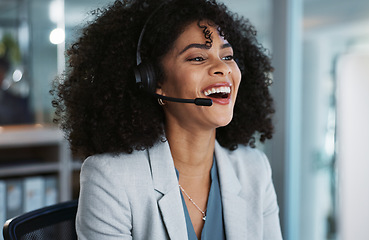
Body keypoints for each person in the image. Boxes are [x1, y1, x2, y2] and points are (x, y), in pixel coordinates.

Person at [52, 0, 282, 239]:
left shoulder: (254, 169)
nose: (222, 68)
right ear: (155, 82)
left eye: (227, 56)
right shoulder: (111, 178)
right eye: (197, 58)